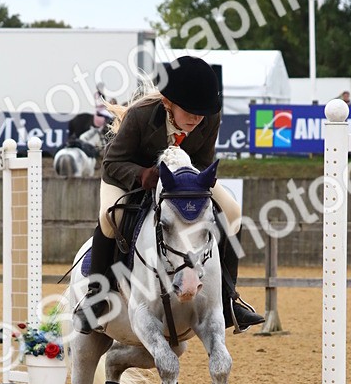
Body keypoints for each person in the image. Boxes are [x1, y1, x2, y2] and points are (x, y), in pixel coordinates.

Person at [73, 55, 264, 334]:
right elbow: (112, 163)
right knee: (109, 216)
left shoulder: (208, 117)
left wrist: (180, 178)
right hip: (128, 177)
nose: (197, 119)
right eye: (189, 112)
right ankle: (97, 296)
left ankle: (228, 297)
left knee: (233, 212)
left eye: (201, 113)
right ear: (167, 103)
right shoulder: (140, 115)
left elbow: (202, 159)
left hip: (182, 180)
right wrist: (143, 175)